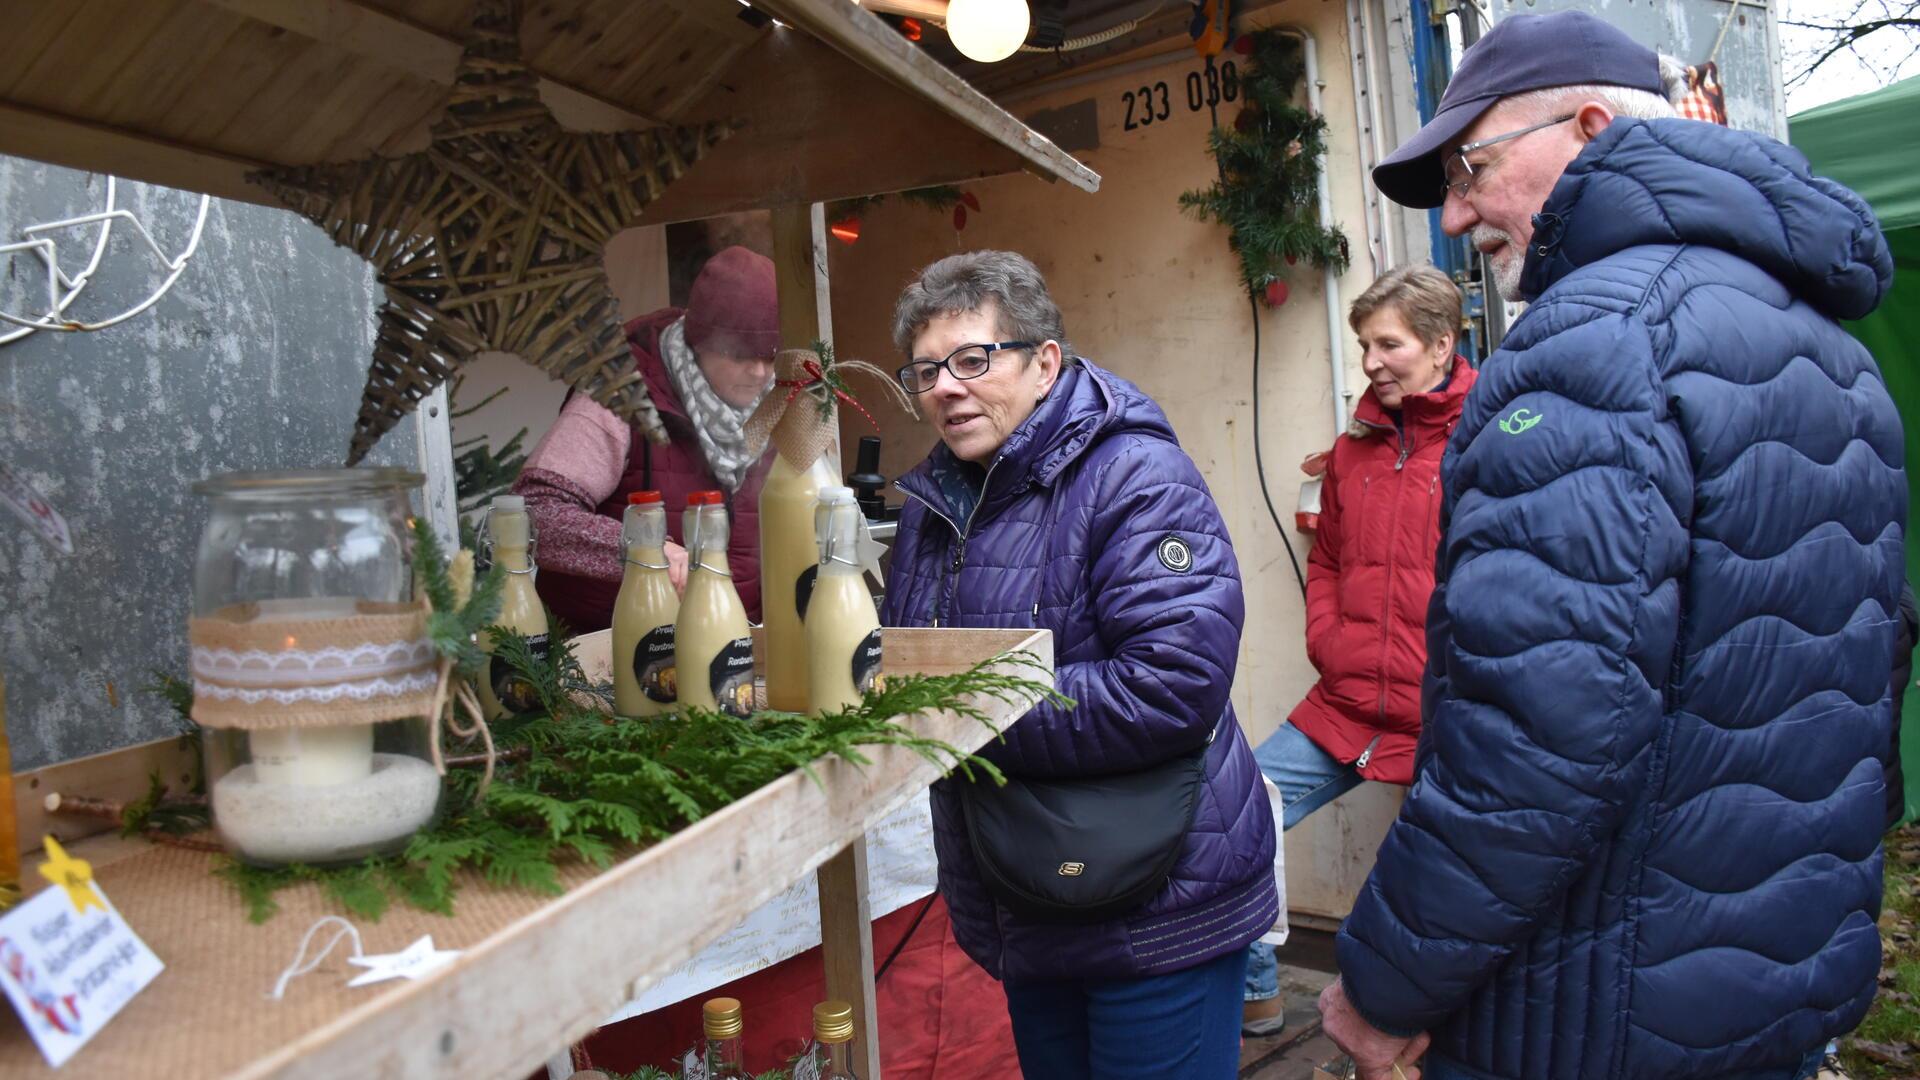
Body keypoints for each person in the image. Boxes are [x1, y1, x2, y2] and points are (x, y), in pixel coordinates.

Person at [1318, 12, 1905, 1080]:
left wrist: (1386, 983)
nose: (1454, 214)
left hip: (1599, 1012)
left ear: (1585, 126)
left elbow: (1537, 734)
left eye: (1470, 167)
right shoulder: (1833, 352)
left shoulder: (1593, 344)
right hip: (1777, 975)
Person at [879, 250, 1277, 1078]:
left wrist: (958, 715)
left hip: (1160, 897)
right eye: (925, 370)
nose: (946, 387)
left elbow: (1173, 685)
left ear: (1045, 362)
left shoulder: (1133, 476)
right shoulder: (931, 507)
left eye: (973, 360)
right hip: (1028, 896)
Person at [1242, 267, 1476, 1036]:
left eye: (1389, 344)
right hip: (1344, 705)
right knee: (1230, 817)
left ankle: (1433, 1033)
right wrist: (1326, 638)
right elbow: (1330, 560)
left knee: (1447, 886)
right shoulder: (1354, 449)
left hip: (1444, 714)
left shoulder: (1490, 437)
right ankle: (1256, 993)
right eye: (1364, 345)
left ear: (1441, 345)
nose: (1372, 361)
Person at [513, 246, 778, 629]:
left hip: (733, 653)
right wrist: (642, 549)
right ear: (700, 341)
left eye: (769, 355)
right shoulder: (619, 399)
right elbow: (534, 514)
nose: (758, 372)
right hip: (607, 661)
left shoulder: (776, 407)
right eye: (740, 355)